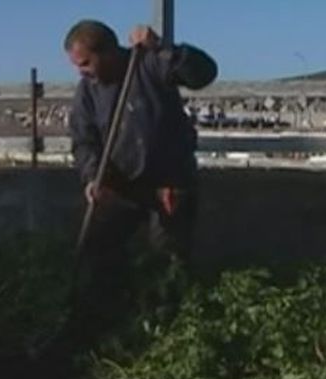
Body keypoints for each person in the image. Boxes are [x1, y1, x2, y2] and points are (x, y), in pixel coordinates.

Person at [62, 19, 217, 347]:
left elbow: (204, 73)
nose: (82, 72)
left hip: (168, 183)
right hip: (120, 187)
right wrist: (93, 177)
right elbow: (83, 139)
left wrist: (164, 48)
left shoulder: (149, 64)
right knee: (98, 250)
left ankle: (170, 337)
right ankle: (108, 324)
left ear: (107, 51)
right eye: (78, 67)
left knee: (168, 263)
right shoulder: (87, 91)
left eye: (86, 63)